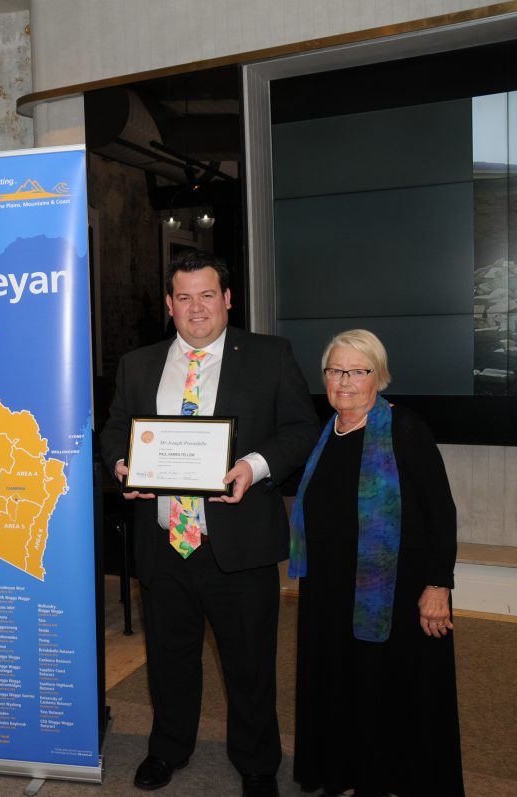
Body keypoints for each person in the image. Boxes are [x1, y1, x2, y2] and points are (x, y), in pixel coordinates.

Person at [100, 251, 319, 797]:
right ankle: (168, 747)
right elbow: (113, 431)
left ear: (226, 299)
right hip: (163, 540)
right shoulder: (138, 362)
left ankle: (256, 761)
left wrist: (253, 466)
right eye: (183, 297)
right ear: (169, 305)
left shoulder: (269, 356)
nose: (195, 309)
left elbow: (299, 429)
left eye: (206, 295)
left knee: (249, 662)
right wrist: (124, 464)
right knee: (170, 660)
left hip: (238, 541)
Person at [289, 330, 464, 797]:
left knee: (386, 690)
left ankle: (383, 778)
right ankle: (345, 772)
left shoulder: (405, 428)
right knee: (343, 686)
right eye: (335, 370)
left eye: (357, 371)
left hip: (393, 590)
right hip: (328, 590)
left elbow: (440, 511)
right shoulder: (327, 431)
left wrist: (437, 585)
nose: (344, 381)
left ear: (378, 376)